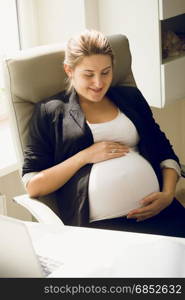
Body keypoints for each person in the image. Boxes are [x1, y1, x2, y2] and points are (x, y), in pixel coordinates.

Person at [22, 29, 185, 237]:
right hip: (104, 227)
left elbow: (166, 153)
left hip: (159, 212)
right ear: (69, 70)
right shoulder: (50, 111)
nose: (98, 83)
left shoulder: (130, 98)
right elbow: (33, 185)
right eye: (88, 75)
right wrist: (85, 156)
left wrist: (168, 195)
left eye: (106, 72)